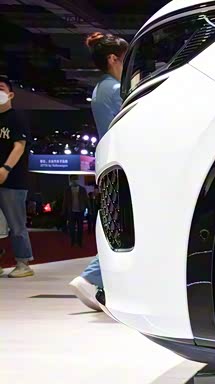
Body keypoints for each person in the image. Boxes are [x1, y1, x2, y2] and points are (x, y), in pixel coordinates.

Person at [69, 32, 128, 311]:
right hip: (123, 162)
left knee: (117, 224)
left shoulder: (100, 89)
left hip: (109, 163)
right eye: (125, 59)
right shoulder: (115, 90)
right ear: (113, 59)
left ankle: (96, 279)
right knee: (125, 226)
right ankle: (92, 277)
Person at [0, 75, 34, 278]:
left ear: (10, 94)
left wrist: (5, 168)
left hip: (13, 180)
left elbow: (19, 146)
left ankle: (23, 263)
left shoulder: (17, 118)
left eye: (1, 88)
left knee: (16, 224)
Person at [63, 175, 89, 247]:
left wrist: (88, 209)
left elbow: (86, 200)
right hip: (71, 211)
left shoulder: (82, 189)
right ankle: (73, 241)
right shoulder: (67, 190)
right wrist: (64, 211)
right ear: (71, 181)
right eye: (73, 179)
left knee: (80, 228)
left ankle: (79, 242)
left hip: (80, 211)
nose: (75, 181)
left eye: (76, 179)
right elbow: (65, 201)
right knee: (72, 228)